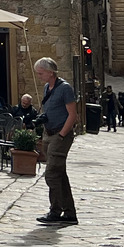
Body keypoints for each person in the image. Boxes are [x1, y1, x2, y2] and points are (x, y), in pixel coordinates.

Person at [34, 56, 79, 226]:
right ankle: (69, 213)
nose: (39, 76)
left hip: (60, 135)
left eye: (41, 73)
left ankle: (55, 211)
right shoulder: (47, 87)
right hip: (49, 133)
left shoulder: (65, 88)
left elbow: (72, 114)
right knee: (60, 174)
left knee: (52, 173)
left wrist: (62, 135)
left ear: (50, 72)